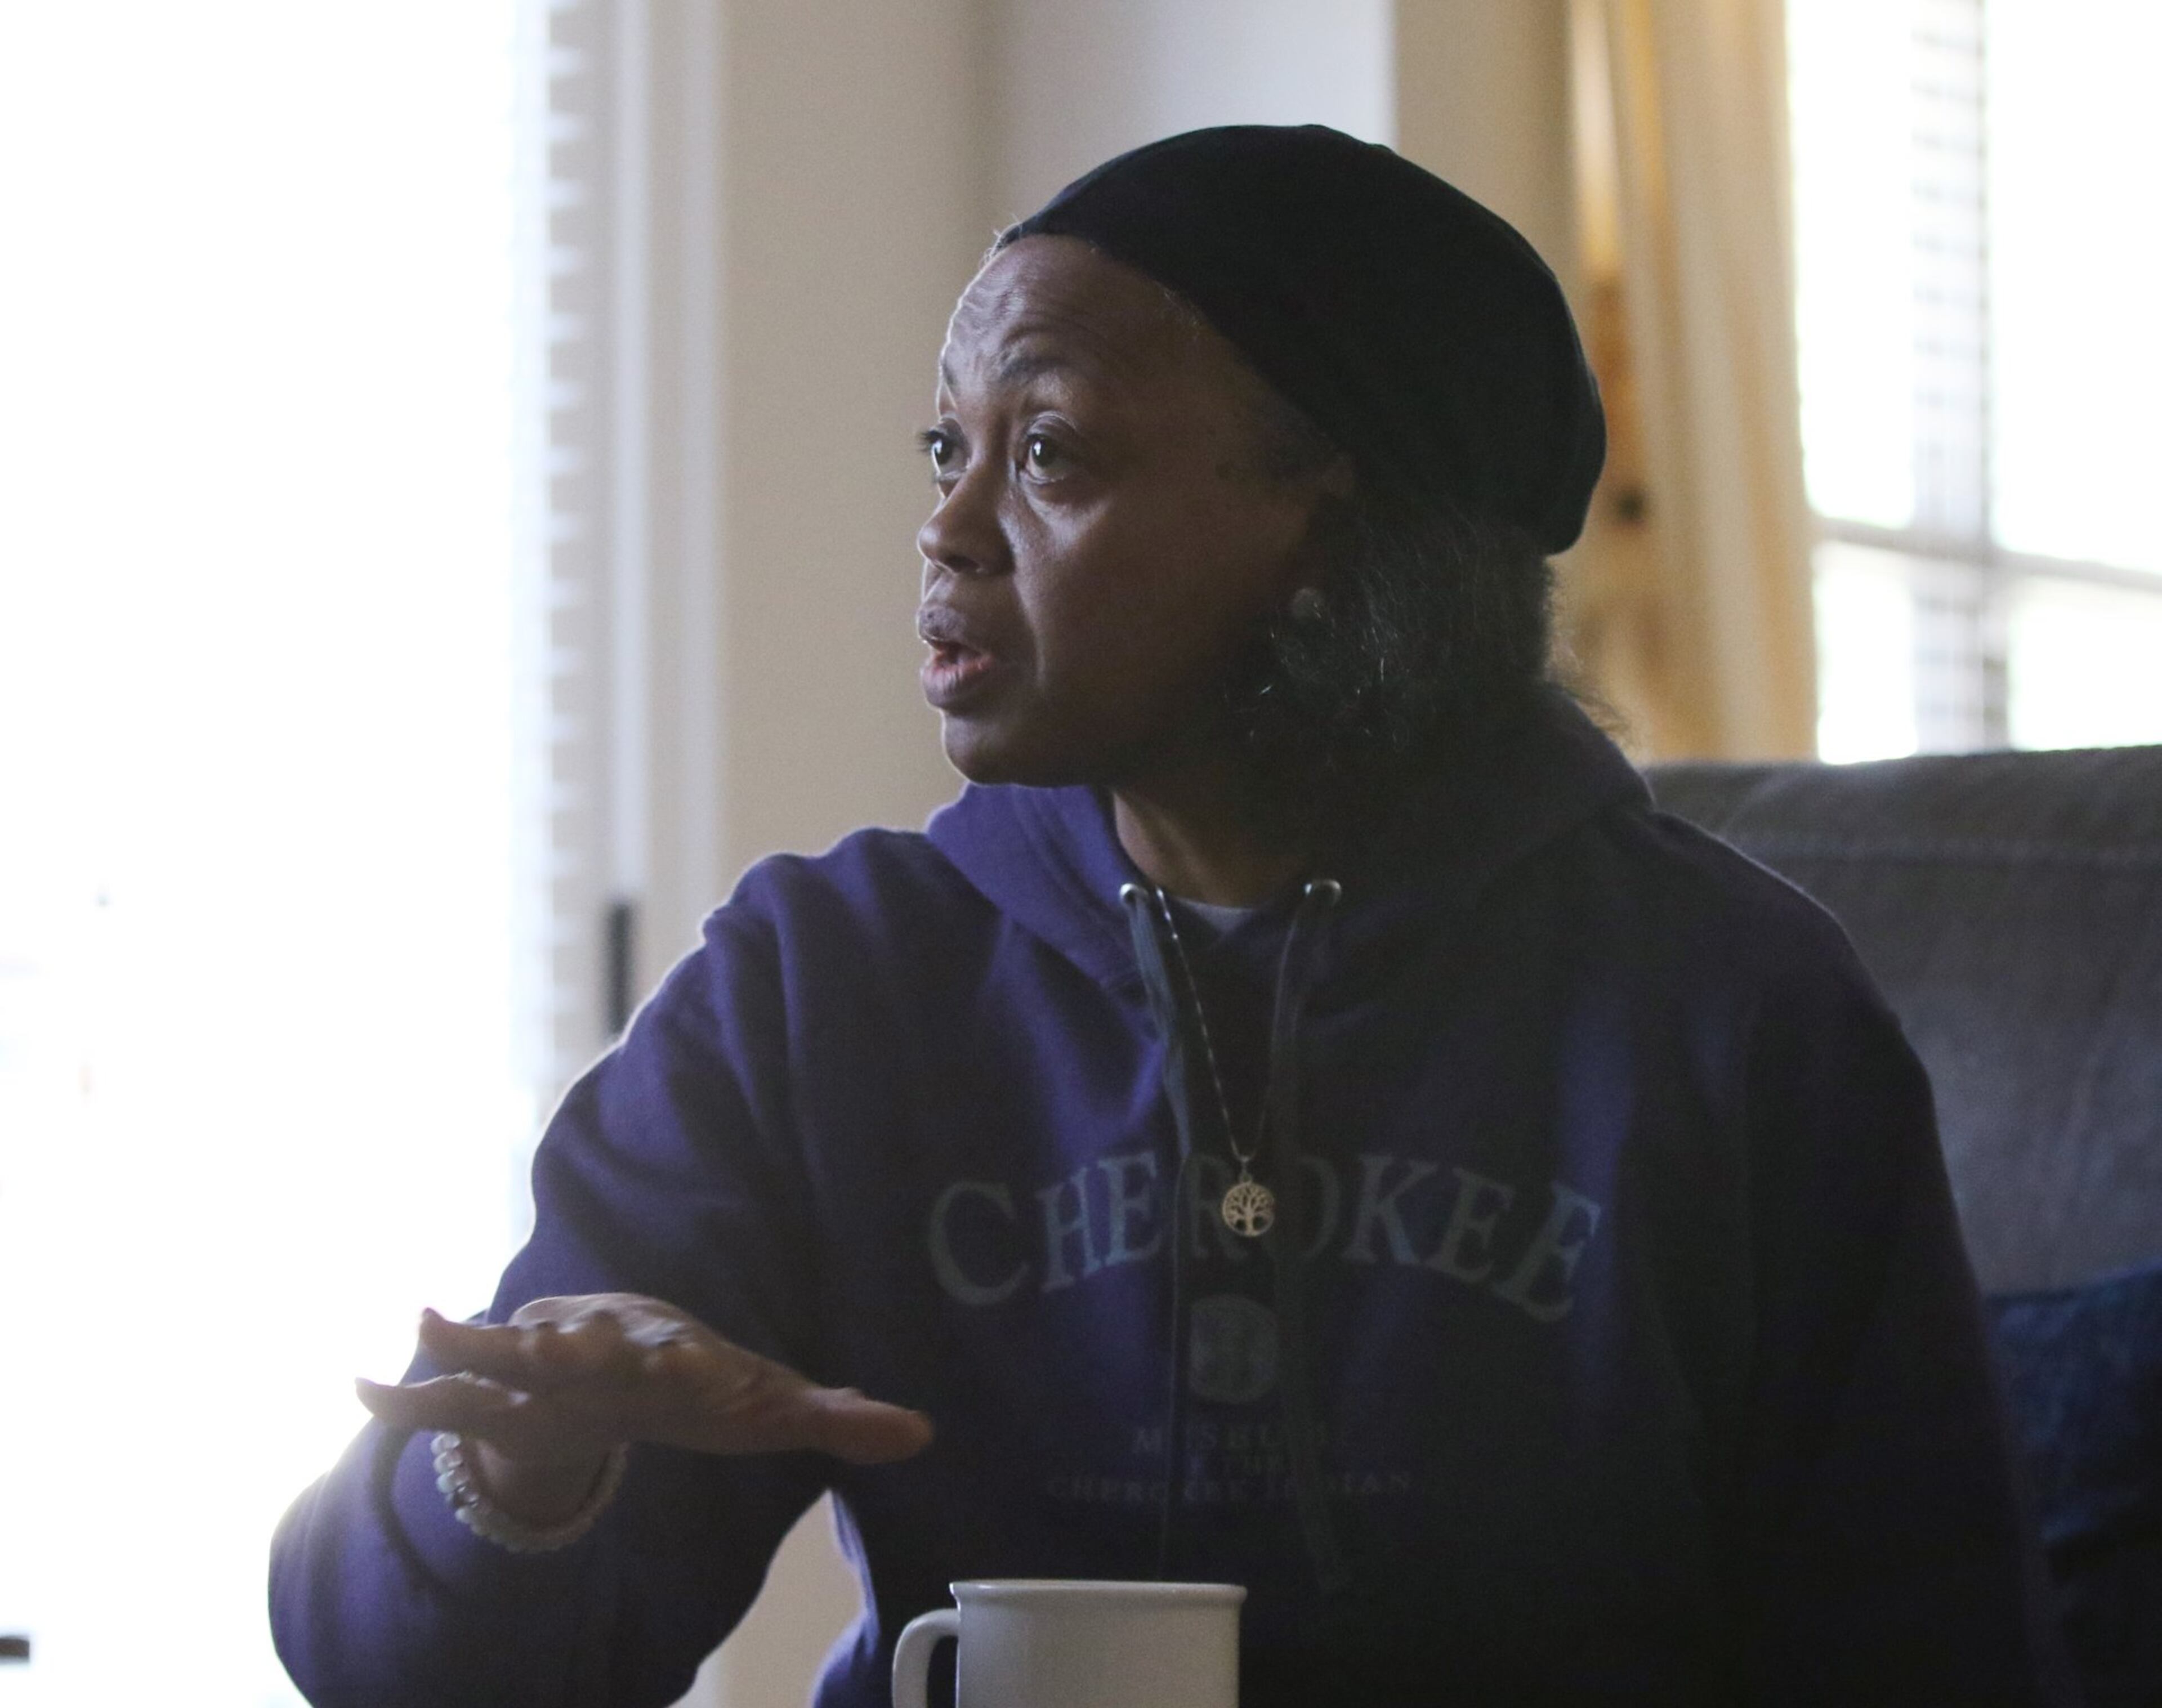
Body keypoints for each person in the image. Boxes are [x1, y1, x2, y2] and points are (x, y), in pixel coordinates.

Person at [270, 126, 2070, 1707]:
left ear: (1325, 524)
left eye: (1051, 453)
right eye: (943, 449)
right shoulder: (827, 989)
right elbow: (408, 1671)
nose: (949, 530)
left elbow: (1932, 1649)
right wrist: (522, 1479)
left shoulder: (1734, 1013)